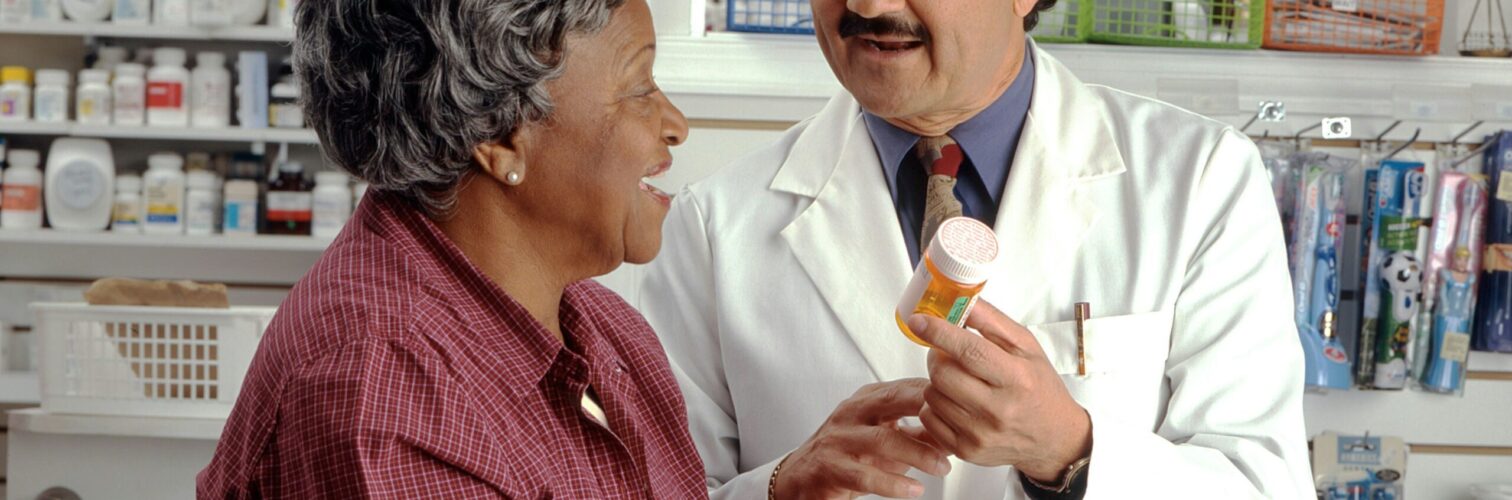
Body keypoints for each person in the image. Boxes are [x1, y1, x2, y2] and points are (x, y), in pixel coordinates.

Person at [640, 0, 1314, 498]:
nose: (868, 8)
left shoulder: (1200, 180)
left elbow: (1264, 483)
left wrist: (1072, 451)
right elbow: (658, 489)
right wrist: (778, 487)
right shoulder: (713, 222)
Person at [197, 0, 704, 497]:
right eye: (639, 89)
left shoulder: (606, 332)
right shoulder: (382, 391)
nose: (675, 124)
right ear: (502, 134)